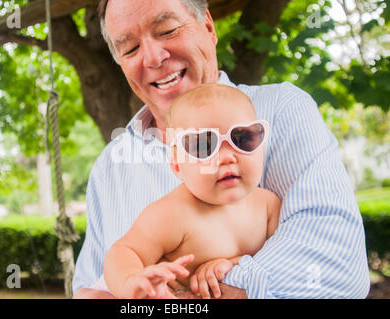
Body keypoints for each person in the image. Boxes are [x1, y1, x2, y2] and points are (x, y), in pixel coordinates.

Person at [73, 0, 370, 299]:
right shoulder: (110, 166)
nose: (152, 57)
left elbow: (335, 267)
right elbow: (89, 288)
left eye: (167, 30)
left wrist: (225, 276)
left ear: (208, 27)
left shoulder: (281, 111)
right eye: (130, 49)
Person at [102, 84, 281, 299]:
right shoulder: (172, 214)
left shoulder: (269, 206)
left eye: (242, 138)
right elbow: (123, 252)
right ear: (177, 165)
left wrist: (237, 264)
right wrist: (132, 282)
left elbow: (284, 259)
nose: (226, 157)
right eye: (204, 146)